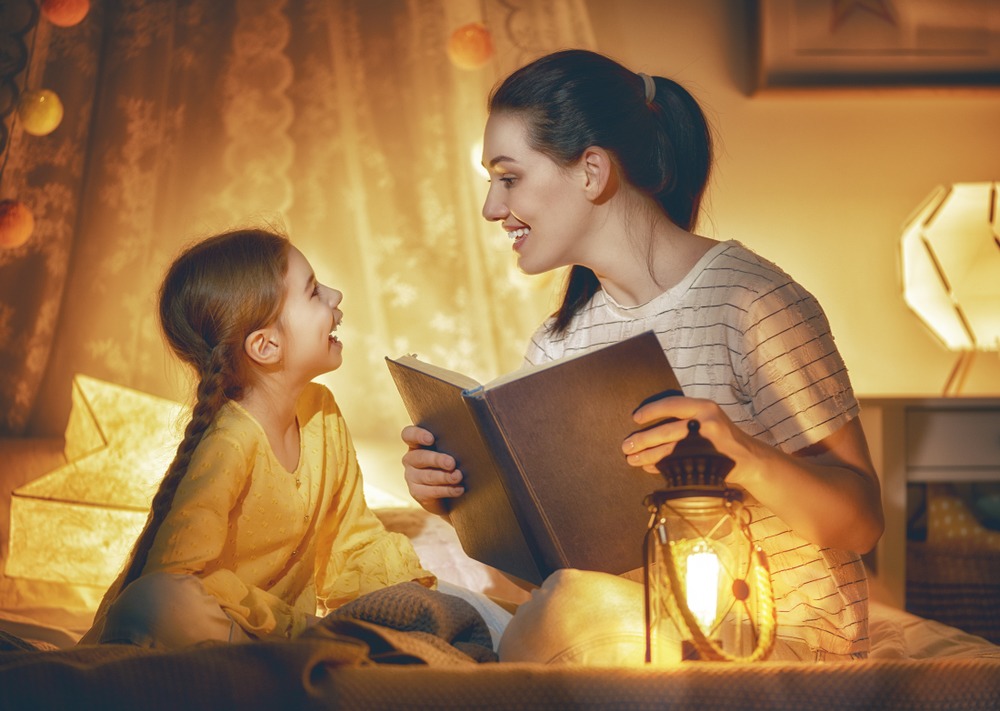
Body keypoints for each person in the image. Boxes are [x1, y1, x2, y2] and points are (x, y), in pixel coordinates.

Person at [401, 49, 884, 663]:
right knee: (477, 614)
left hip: (778, 642)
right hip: (632, 639)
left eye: (509, 177)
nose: (492, 208)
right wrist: (459, 503)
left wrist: (743, 454)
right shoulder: (558, 344)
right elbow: (559, 581)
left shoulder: (749, 302)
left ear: (592, 172)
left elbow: (862, 523)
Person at [80, 228, 443, 649]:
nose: (336, 295)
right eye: (313, 293)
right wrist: (292, 628)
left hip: (274, 644)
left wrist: (409, 599)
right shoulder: (229, 444)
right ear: (266, 345)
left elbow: (353, 539)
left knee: (459, 609)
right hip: (225, 636)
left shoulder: (321, 412)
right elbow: (178, 576)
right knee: (156, 601)